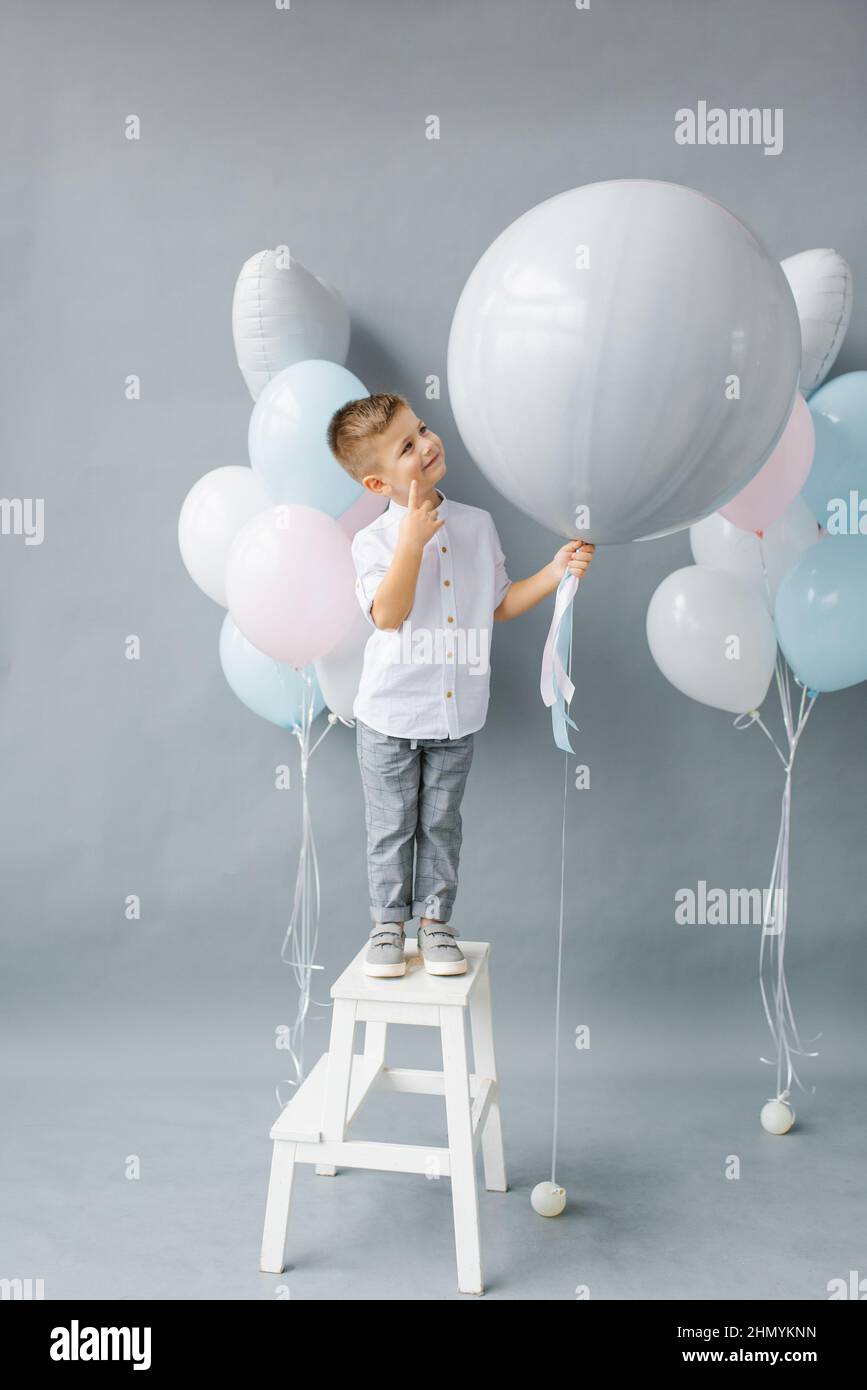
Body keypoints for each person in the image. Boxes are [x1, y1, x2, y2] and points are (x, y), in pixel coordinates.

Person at [327, 393, 594, 978]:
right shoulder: (372, 543)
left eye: (421, 429)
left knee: (441, 822)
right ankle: (388, 925)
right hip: (390, 717)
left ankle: (435, 921)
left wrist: (554, 572)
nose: (426, 444)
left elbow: (497, 604)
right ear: (378, 485)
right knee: (392, 825)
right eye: (406, 446)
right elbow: (388, 614)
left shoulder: (476, 525)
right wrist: (412, 544)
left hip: (456, 715)